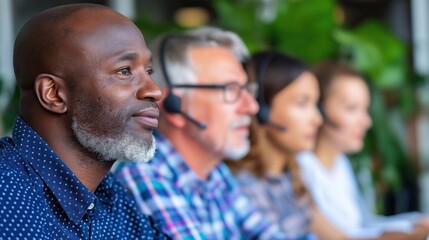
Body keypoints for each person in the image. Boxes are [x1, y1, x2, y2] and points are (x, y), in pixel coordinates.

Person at [0, 4, 168, 239]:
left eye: (148, 71)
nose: (154, 90)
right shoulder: (6, 194)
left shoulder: (115, 199)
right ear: (54, 94)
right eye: (124, 71)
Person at [113, 27, 286, 239]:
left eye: (247, 90)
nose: (251, 107)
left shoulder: (215, 173)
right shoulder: (143, 177)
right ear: (175, 107)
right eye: (230, 90)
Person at [297, 60, 429, 240]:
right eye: (352, 109)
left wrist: (413, 225)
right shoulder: (299, 169)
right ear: (319, 109)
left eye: (365, 109)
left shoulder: (339, 163)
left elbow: (360, 226)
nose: (366, 122)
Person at [226, 51, 328, 239]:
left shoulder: (290, 175)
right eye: (302, 103)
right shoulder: (243, 187)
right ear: (262, 109)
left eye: (315, 104)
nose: (317, 119)